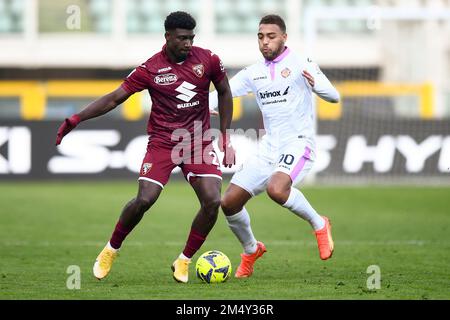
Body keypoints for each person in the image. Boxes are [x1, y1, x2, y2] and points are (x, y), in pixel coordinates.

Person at [55, 11, 236, 283]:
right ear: (167, 37)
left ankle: (184, 261)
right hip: (163, 142)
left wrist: (225, 135)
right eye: (182, 38)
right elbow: (115, 98)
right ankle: (110, 249)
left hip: (197, 141)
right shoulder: (150, 68)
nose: (188, 43)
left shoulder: (208, 59)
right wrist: (77, 118)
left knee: (212, 201)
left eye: (191, 38)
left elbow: (224, 91)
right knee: (144, 200)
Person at [209, 14, 340, 278]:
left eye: (270, 36)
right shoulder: (253, 73)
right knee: (229, 202)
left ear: (284, 37)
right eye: (260, 37)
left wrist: (318, 85)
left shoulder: (301, 62)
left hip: (298, 144)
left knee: (277, 189)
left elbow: (334, 96)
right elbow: (222, 94)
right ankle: (250, 250)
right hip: (268, 148)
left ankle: (319, 223)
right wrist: (205, 107)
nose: (265, 42)